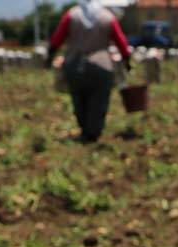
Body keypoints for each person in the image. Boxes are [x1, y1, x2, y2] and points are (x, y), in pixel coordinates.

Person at [45, 0, 132, 143]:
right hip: (101, 65)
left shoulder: (71, 15)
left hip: (74, 64)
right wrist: (127, 61)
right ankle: (94, 132)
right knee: (99, 99)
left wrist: (50, 57)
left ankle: (84, 129)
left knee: (78, 98)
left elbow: (56, 39)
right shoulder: (108, 17)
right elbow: (121, 41)